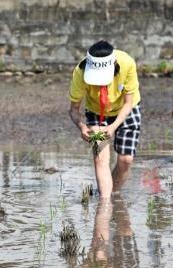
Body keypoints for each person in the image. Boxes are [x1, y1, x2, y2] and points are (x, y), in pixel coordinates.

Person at [69, 40, 141, 199]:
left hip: (126, 108)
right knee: (100, 159)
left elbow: (128, 103)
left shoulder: (127, 63)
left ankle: (112, 192)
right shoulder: (80, 73)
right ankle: (105, 203)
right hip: (96, 111)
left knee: (126, 160)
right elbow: (73, 110)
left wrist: (114, 126)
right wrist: (81, 126)